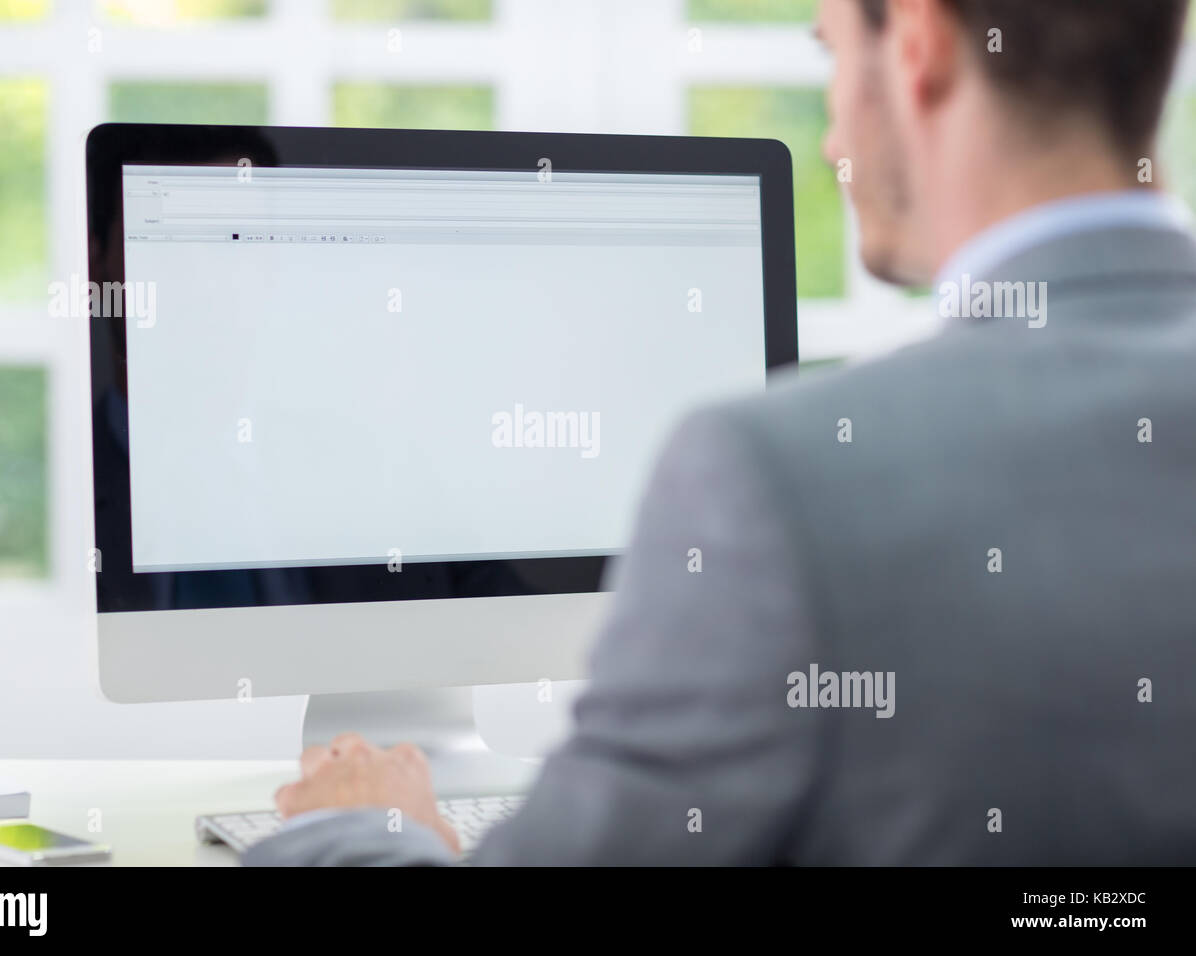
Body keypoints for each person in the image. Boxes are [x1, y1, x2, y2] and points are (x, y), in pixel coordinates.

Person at [246, 0, 1196, 865]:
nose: (830, 141)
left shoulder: (780, 475)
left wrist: (353, 828)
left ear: (917, 49)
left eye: (831, 57)